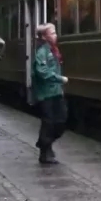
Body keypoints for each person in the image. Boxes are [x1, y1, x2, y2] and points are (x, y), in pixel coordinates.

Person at [32, 24, 68, 164]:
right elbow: (42, 72)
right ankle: (45, 152)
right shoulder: (42, 52)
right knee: (48, 122)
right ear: (44, 37)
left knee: (61, 120)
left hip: (56, 91)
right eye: (52, 33)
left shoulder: (54, 50)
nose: (55, 35)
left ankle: (44, 144)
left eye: (55, 33)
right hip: (46, 93)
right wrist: (60, 79)